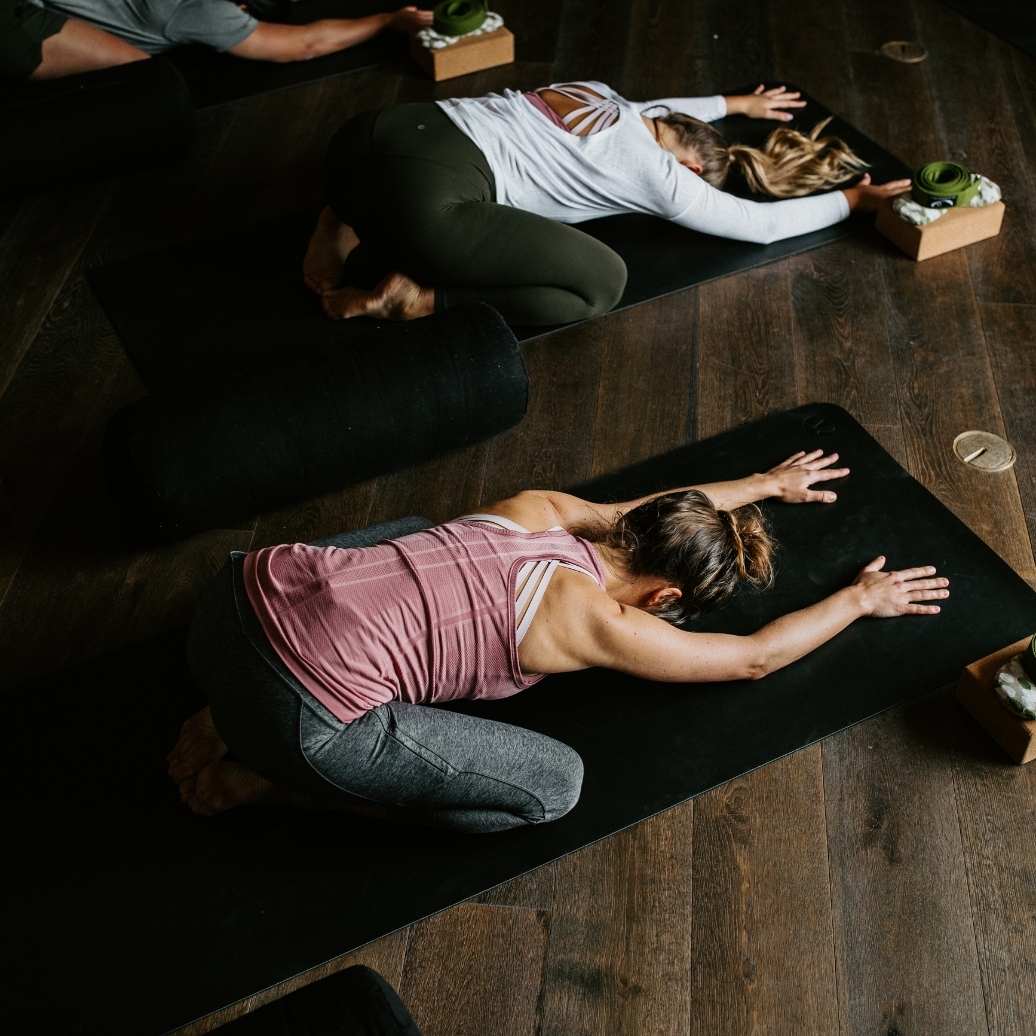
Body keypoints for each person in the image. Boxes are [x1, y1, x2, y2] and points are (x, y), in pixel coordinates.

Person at [168, 449, 949, 833]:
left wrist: (759, 486)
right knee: (553, 787)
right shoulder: (595, 621)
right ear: (664, 597)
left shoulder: (537, 509)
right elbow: (754, 657)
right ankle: (275, 779)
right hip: (289, 714)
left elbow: (647, 508)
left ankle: (219, 712)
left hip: (228, 602)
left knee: (416, 538)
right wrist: (858, 598)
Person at [302, 82, 913, 326]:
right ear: (692, 169)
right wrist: (853, 199)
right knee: (603, 282)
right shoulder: (661, 176)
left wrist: (732, 104)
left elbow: (666, 109)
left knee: (380, 187)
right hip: (422, 204)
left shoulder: (601, 94)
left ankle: (342, 217)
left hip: (363, 140)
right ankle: (418, 297)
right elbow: (761, 224)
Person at [0, 0, 431, 81]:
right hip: (12, 20)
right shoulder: (202, 10)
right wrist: (388, 19)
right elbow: (305, 45)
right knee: (152, 83)